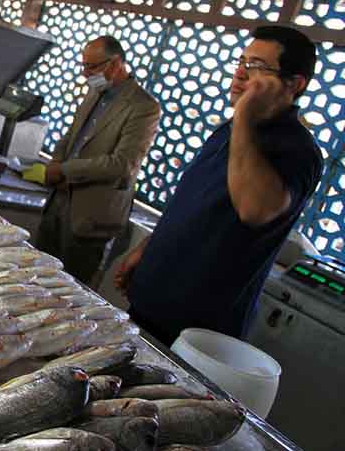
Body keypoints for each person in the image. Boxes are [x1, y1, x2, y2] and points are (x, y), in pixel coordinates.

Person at [116, 25, 323, 346]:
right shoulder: (230, 129)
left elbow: (256, 209)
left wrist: (244, 117)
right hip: (154, 293)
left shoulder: (298, 149)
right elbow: (192, 202)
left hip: (198, 323)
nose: (241, 73)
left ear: (294, 84)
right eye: (242, 61)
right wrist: (149, 247)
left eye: (257, 67)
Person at [36, 36, 161, 287]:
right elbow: (72, 136)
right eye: (83, 66)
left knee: (69, 290)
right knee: (37, 276)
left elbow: (121, 164)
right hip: (58, 201)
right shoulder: (95, 93)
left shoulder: (143, 107)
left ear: (115, 64)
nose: (85, 74)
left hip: (91, 214)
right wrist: (55, 163)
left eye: (92, 67)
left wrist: (65, 170)